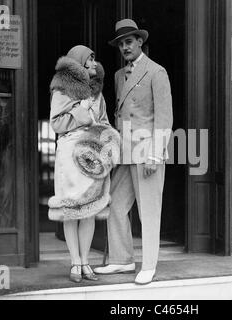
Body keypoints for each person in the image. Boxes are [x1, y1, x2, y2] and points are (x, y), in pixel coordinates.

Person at [94, 19, 173, 285]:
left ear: (140, 42)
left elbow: (164, 117)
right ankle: (121, 259)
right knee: (115, 204)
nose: (125, 47)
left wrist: (155, 154)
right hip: (126, 152)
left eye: (129, 41)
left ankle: (148, 265)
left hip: (148, 151)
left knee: (149, 210)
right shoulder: (118, 75)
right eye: (121, 44)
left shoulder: (156, 72)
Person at [48, 45, 119, 283]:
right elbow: (57, 124)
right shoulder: (61, 89)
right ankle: (75, 262)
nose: (92, 64)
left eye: (93, 60)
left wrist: (109, 142)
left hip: (91, 155)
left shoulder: (97, 91)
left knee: (88, 211)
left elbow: (106, 121)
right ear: (78, 63)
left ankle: (86, 261)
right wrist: (81, 110)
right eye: (89, 60)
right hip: (69, 155)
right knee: (71, 211)